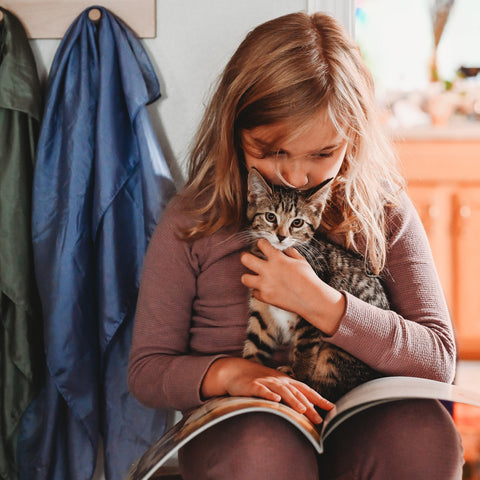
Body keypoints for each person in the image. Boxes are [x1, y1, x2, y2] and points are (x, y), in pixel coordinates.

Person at [128, 11, 463, 479]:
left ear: (354, 138)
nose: (295, 176)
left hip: (357, 410)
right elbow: (146, 370)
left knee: (423, 432)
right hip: (241, 426)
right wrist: (229, 373)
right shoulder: (194, 219)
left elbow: (439, 360)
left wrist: (321, 303)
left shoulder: (382, 211)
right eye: (271, 151)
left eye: (322, 154)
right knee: (261, 447)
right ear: (234, 129)